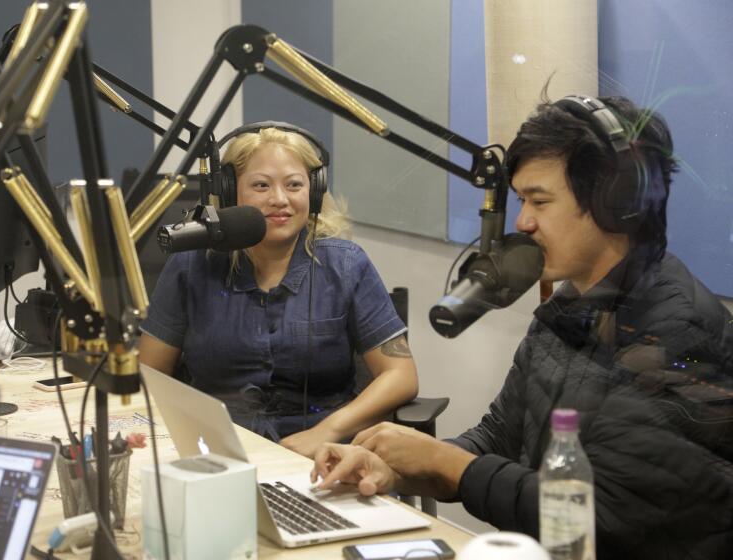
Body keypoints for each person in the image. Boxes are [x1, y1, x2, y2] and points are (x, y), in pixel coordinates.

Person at [311, 96, 733, 559]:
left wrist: (449, 464)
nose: (523, 222)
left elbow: (607, 519)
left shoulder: (676, 331)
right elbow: (500, 437)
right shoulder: (572, 303)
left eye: (540, 201)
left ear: (617, 202)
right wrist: (396, 467)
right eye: (520, 200)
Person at [139, 122, 419, 458]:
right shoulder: (191, 264)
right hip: (216, 452)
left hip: (325, 455)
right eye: (261, 185)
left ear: (313, 192)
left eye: (294, 185)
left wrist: (326, 431)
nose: (280, 200)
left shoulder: (346, 266)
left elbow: (400, 375)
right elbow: (150, 375)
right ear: (230, 192)